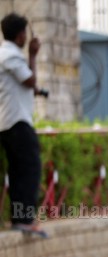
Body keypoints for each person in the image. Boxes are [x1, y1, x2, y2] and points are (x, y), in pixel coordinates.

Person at [0, 13, 45, 237]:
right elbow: (31, 81)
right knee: (30, 170)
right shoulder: (10, 56)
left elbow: (28, 84)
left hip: (10, 122)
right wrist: (33, 55)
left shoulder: (7, 55)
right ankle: (24, 219)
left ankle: (21, 218)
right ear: (20, 36)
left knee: (19, 172)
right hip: (17, 121)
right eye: (25, 34)